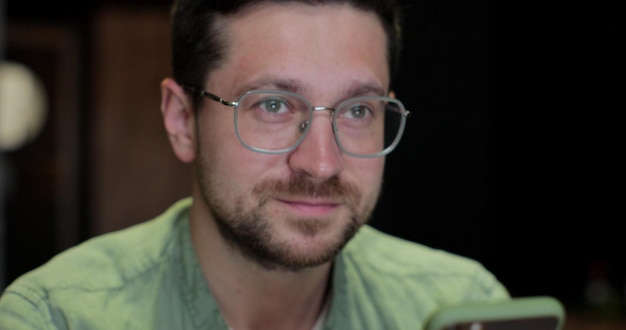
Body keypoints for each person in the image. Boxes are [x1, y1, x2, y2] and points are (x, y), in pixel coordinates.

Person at [0, 0, 510, 329]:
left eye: (357, 110)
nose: (322, 164)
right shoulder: (55, 317)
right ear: (183, 121)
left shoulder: (462, 306)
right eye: (272, 105)